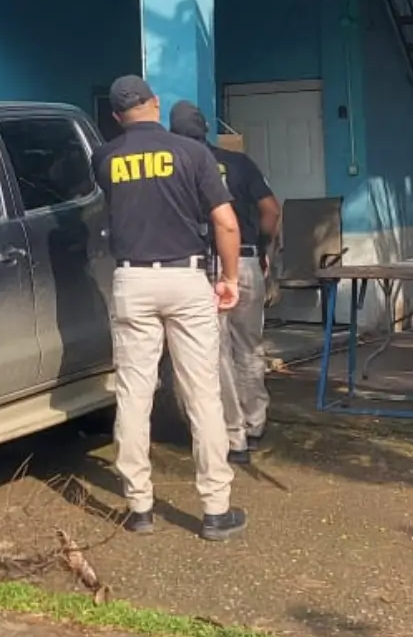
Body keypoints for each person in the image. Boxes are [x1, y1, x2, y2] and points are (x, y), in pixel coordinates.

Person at [94, 76, 247, 541]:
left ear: (116, 116)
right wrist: (230, 279)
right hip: (185, 278)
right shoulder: (192, 153)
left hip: (132, 280)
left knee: (133, 395)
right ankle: (215, 509)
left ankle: (139, 507)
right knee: (202, 394)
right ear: (155, 104)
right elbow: (226, 223)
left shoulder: (104, 158)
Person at [170, 101, 281, 464]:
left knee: (216, 353)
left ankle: (233, 436)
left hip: (206, 267)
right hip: (246, 260)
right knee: (249, 345)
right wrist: (262, 247)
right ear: (206, 130)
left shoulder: (179, 166)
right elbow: (271, 209)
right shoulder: (239, 163)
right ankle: (255, 421)